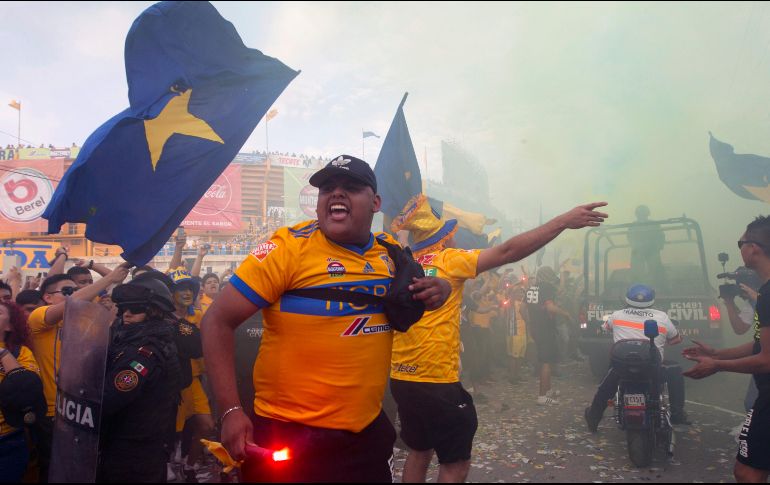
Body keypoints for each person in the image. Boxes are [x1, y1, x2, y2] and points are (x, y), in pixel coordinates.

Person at [201, 155, 451, 483]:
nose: (336, 193)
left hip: (366, 435)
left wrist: (441, 288)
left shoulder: (390, 253)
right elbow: (216, 320)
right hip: (288, 437)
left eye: (351, 187)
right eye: (327, 188)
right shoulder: (287, 248)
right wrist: (231, 410)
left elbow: (417, 294)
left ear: (375, 202)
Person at [388, 194, 608, 483]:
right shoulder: (449, 259)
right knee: (455, 464)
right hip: (436, 380)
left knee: (419, 451)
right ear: (444, 237)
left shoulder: (401, 264)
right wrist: (562, 222)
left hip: (401, 379)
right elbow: (507, 251)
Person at [683, 217, 770, 483]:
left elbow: (767, 360)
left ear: (753, 248)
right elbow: (759, 343)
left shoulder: (767, 295)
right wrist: (718, 353)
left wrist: (717, 366)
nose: (739, 249)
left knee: (746, 473)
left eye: (740, 243)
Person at [26, 266, 129, 482]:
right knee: (51, 469)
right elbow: (73, 304)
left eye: (76, 290)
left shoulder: (85, 321)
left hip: (82, 407)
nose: (74, 295)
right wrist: (109, 278)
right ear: (46, 297)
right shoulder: (38, 317)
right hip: (52, 410)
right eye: (66, 291)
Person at [97, 277, 183, 483]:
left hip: (133, 451)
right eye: (123, 308)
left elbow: (109, 399)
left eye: (135, 309)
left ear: (154, 313)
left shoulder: (143, 354)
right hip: (137, 445)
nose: (126, 314)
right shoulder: (139, 341)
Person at [584, 283, 688, 432]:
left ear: (627, 298)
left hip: (622, 368)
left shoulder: (617, 315)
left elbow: (604, 328)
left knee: (605, 388)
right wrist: (667, 340)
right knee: (675, 371)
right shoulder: (662, 317)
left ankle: (594, 417)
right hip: (652, 369)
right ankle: (677, 414)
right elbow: (676, 339)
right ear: (652, 300)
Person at [0, 301, 44, 483]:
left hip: (6, 443)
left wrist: (2, 353)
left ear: (10, 325)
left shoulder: (20, 353)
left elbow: (25, 392)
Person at [526, 266, 572, 406]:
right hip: (546, 328)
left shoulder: (531, 288)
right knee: (546, 362)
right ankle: (542, 396)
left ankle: (548, 390)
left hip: (536, 328)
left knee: (548, 359)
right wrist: (566, 314)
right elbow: (550, 307)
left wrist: (531, 322)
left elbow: (522, 307)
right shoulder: (547, 287)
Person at [628, 205, 665, 289]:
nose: (642, 215)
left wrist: (658, 246)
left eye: (643, 213)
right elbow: (630, 237)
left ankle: (658, 287)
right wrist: (636, 246)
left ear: (647, 214)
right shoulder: (633, 225)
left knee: (656, 269)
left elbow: (660, 236)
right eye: (640, 214)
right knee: (636, 270)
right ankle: (637, 287)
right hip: (638, 251)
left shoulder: (654, 224)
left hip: (652, 250)